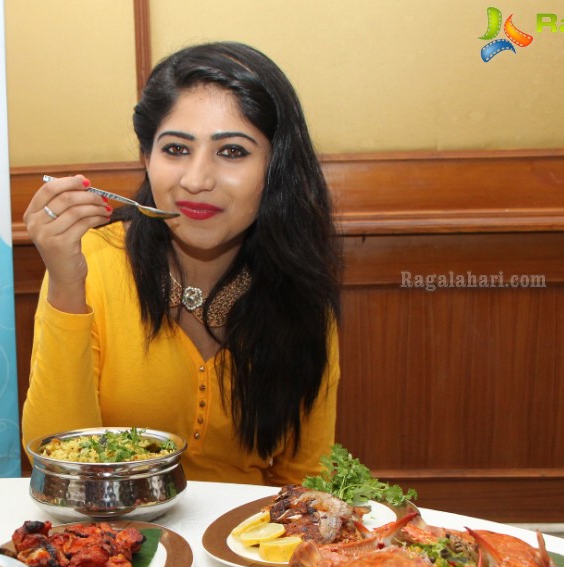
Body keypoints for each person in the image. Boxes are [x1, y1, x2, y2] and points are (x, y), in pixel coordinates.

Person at [21, 41, 342, 485]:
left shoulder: (302, 295)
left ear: (277, 168)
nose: (196, 180)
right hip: (114, 538)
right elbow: (56, 461)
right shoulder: (90, 263)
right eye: (175, 149)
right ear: (146, 158)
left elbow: (306, 480)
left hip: (237, 546)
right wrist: (65, 281)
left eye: (232, 152)